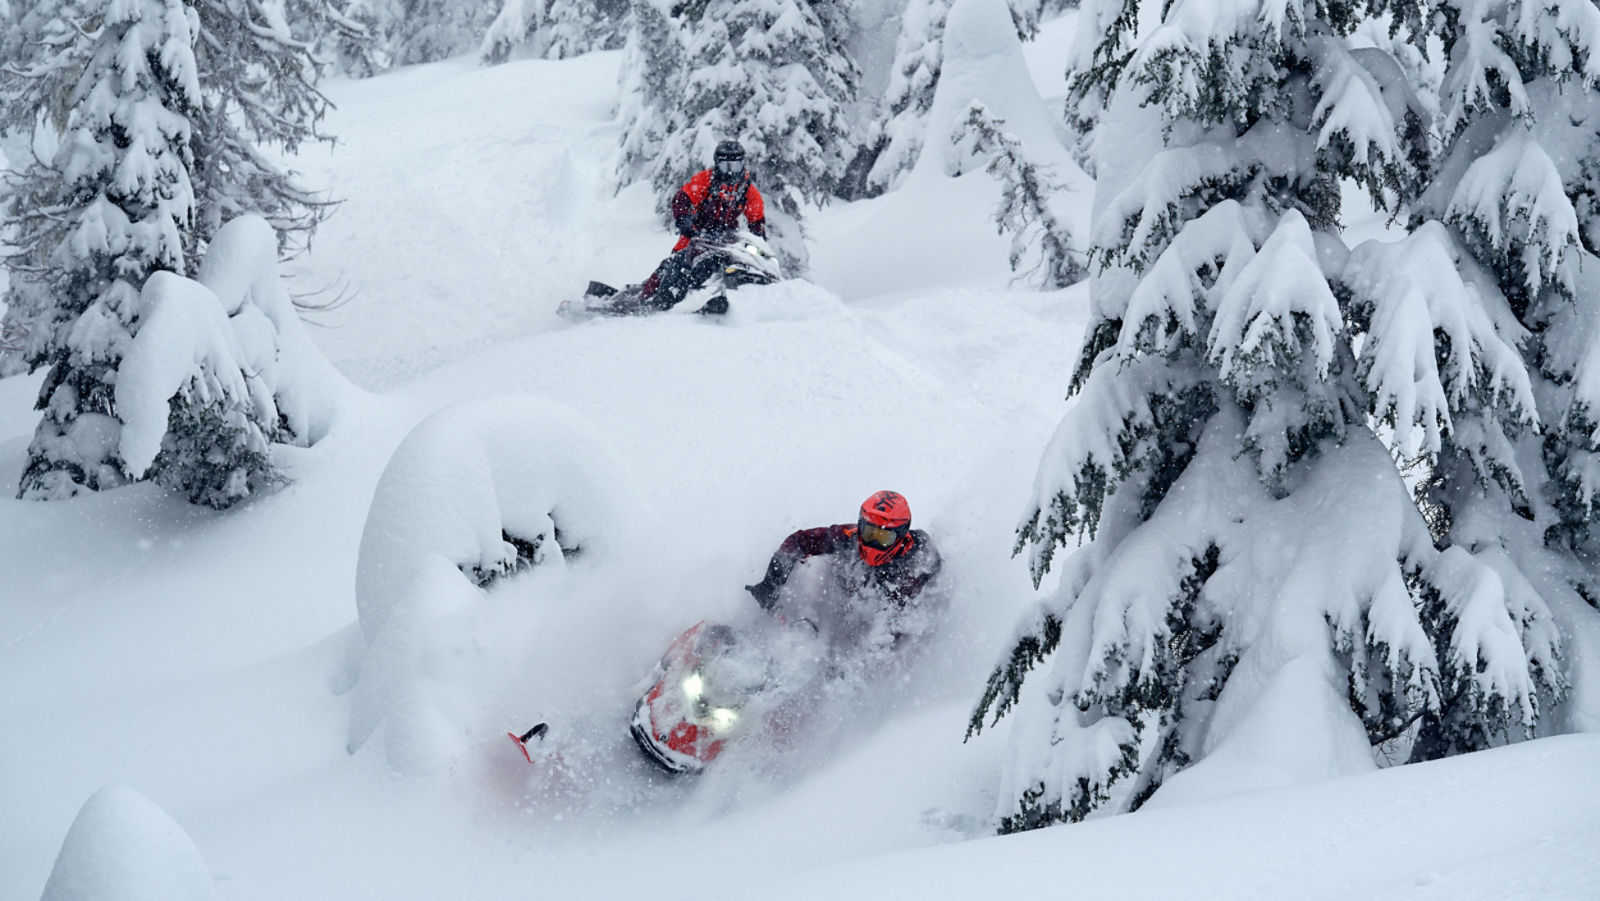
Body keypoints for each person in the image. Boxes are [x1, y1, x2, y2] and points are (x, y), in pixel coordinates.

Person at [744, 490, 943, 659]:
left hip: (892, 626)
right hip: (844, 608)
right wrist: (771, 582)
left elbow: (899, 628)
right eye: (869, 533)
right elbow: (799, 541)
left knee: (883, 646)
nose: (872, 543)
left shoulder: (917, 563)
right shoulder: (849, 537)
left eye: (883, 537)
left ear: (901, 535)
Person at [637, 140, 767, 309]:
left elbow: (757, 218)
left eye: (734, 166)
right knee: (674, 264)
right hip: (696, 236)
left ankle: (747, 297)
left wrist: (758, 240)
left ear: (742, 164)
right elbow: (682, 197)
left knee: (744, 263)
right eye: (725, 166)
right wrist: (684, 219)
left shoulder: (747, 189)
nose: (730, 171)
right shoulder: (706, 180)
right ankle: (648, 299)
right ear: (717, 164)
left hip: (725, 241)